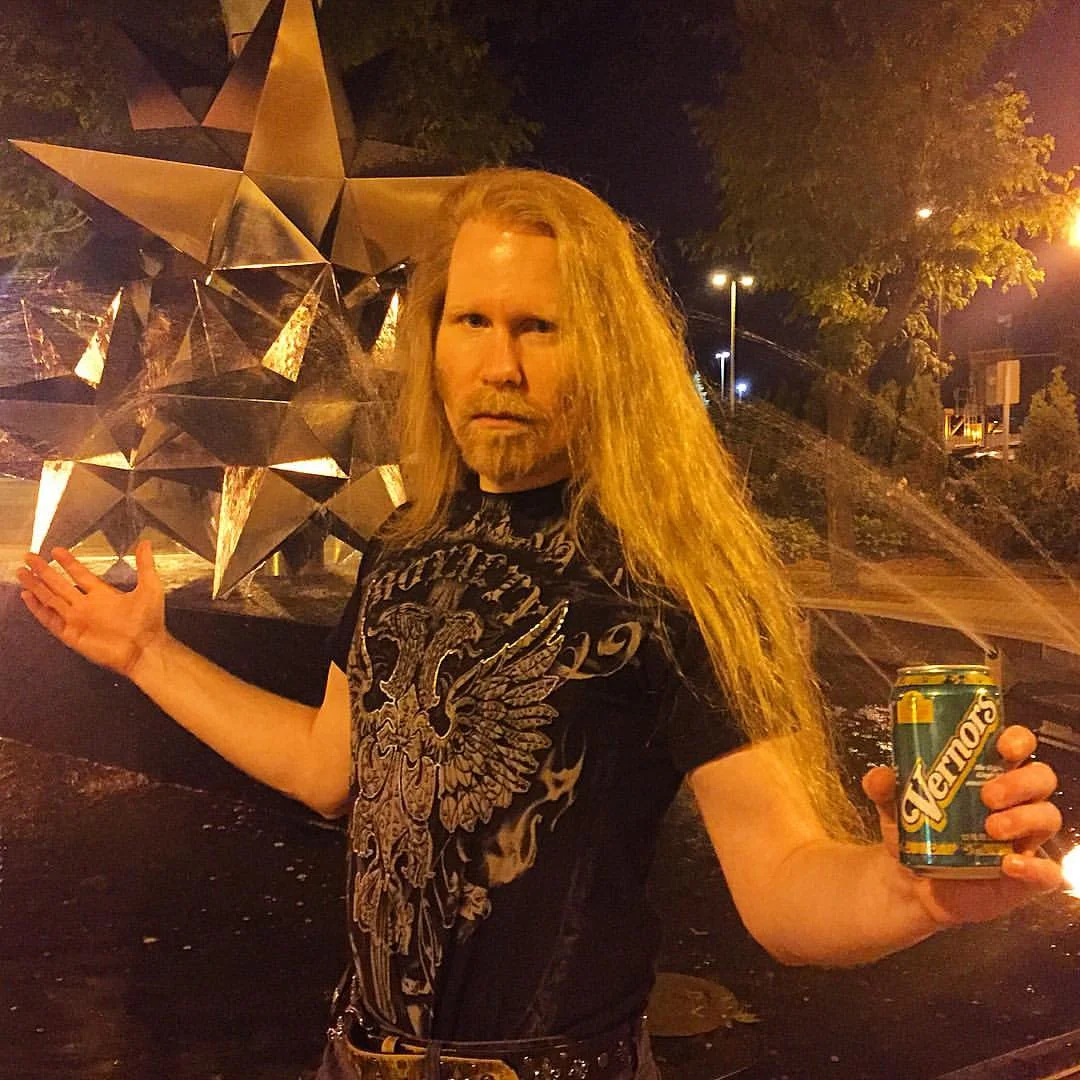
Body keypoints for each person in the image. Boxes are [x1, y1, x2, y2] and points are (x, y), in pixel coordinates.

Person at [16, 168, 1063, 1080]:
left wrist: (907, 892)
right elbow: (328, 766)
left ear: (607, 351)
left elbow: (782, 879)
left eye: (539, 328)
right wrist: (148, 654)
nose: (499, 365)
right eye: (471, 321)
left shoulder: (675, 577)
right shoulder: (405, 543)